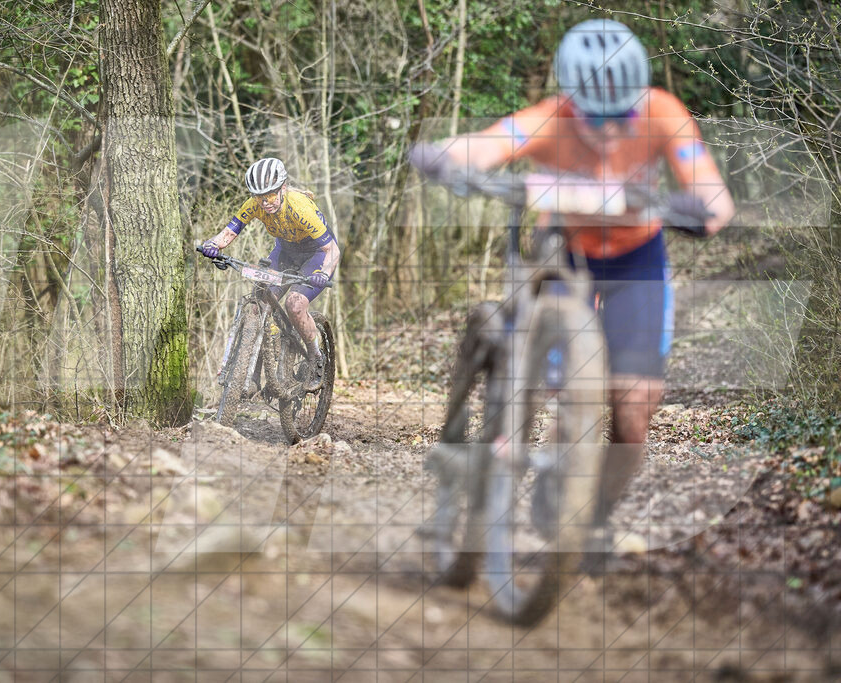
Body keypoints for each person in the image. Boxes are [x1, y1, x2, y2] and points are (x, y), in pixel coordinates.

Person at [411, 20, 735, 544]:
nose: (609, 131)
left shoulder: (662, 113)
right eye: (595, 118)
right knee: (543, 385)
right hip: (564, 253)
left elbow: (712, 193)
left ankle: (592, 516)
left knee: (634, 412)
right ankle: (482, 463)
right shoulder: (552, 119)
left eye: (622, 116)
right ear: (572, 99)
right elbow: (492, 143)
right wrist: (446, 156)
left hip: (636, 261)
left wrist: (698, 209)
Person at [200, 157, 341, 390]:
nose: (265, 202)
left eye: (270, 195)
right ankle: (248, 373)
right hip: (285, 252)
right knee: (258, 302)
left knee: (295, 305)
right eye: (259, 196)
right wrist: (212, 245)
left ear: (283, 188)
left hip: (316, 254)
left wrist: (324, 274)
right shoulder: (254, 204)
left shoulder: (299, 207)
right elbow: (229, 232)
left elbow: (332, 250)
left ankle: (316, 356)